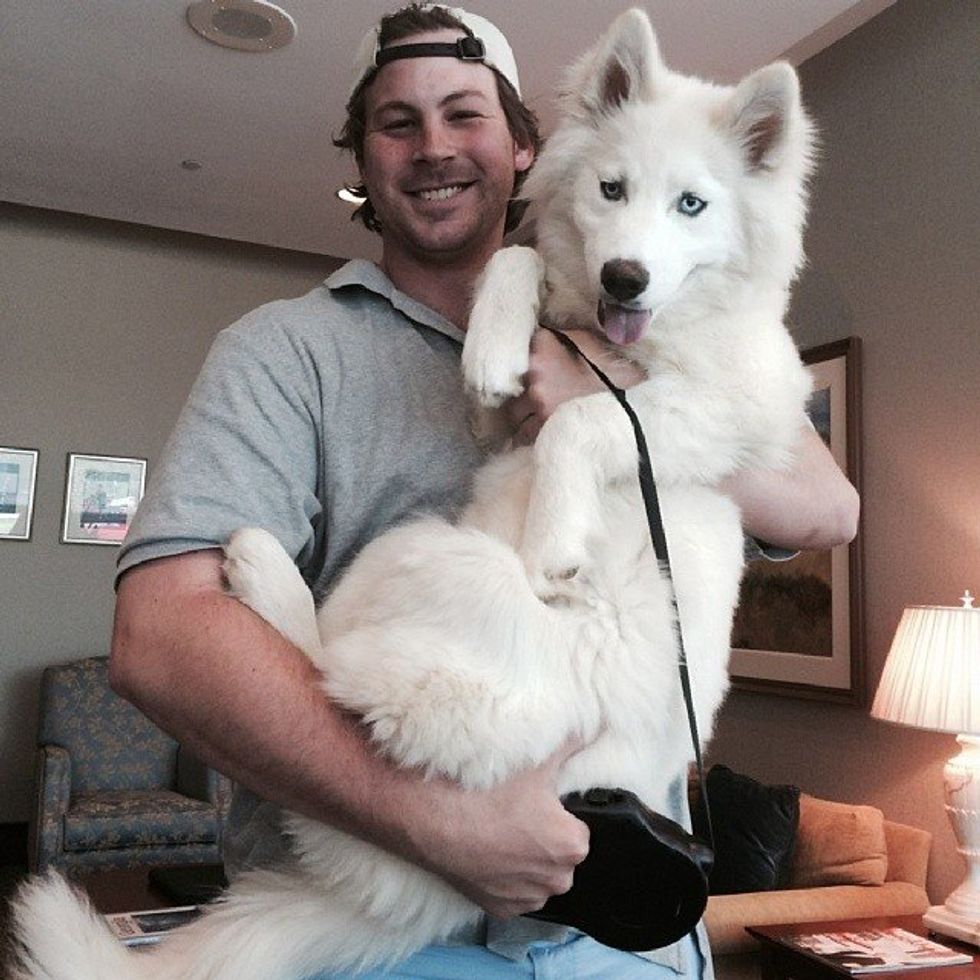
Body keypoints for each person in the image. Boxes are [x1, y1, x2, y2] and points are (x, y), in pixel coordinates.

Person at [110, 5, 859, 978]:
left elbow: (828, 506)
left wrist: (608, 398)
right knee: (438, 565)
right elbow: (159, 635)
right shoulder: (285, 351)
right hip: (398, 917)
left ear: (522, 144)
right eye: (396, 122)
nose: (433, 147)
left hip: (619, 926)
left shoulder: (657, 320)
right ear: (363, 159)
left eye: (464, 114)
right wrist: (437, 821)